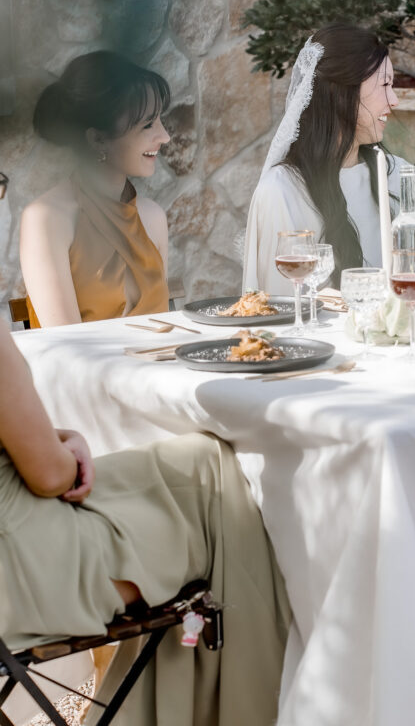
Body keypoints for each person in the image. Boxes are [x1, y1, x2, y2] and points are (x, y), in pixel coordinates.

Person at [0, 186, 290, 725]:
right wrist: (63, 450)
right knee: (218, 478)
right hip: (19, 568)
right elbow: (48, 476)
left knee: (187, 465)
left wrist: (55, 438)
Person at [243, 24, 415, 292]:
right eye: (385, 84)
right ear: (341, 93)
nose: (394, 100)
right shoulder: (281, 192)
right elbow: (278, 310)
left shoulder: (400, 176)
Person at [20, 51, 171, 327]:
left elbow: (165, 331)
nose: (165, 136)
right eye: (148, 124)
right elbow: (67, 345)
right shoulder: (46, 218)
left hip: (159, 368)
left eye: (160, 121)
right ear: (98, 139)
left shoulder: (152, 218)